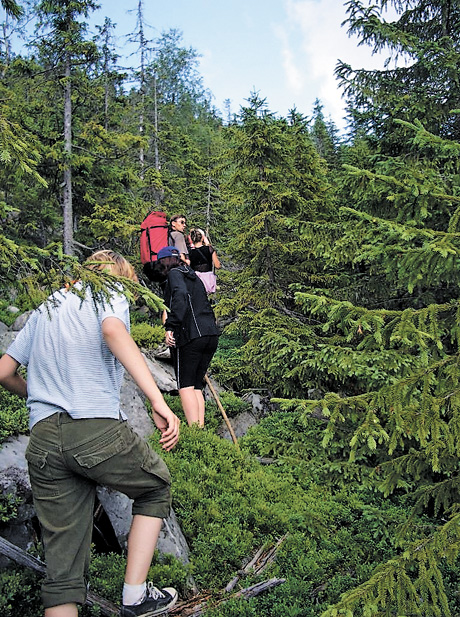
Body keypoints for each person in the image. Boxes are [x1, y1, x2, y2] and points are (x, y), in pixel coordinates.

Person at [0, 250, 180, 617]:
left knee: (62, 576)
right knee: (155, 486)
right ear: (119, 276)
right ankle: (136, 595)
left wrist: (38, 395)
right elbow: (112, 330)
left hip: (44, 439)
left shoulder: (48, 306)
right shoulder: (107, 290)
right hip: (94, 427)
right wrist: (157, 400)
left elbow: (4, 371)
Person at [154, 246, 220, 427]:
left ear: (163, 262)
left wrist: (170, 327)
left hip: (190, 336)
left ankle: (194, 431)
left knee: (185, 386)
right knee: (196, 385)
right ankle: (200, 430)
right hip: (209, 334)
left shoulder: (174, 274)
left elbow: (181, 296)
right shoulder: (193, 275)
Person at [188, 229, 221, 294]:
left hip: (195, 280)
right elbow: (217, 265)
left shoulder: (189, 252)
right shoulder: (209, 249)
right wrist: (208, 244)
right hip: (208, 281)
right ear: (203, 237)